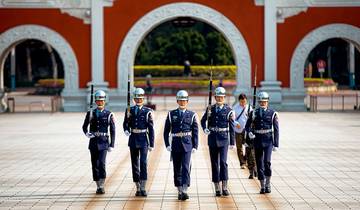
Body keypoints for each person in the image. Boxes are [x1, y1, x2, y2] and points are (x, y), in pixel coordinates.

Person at [163, 90, 198, 201]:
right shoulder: (171, 114)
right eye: (180, 100)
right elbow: (166, 131)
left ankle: (184, 190)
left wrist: (195, 146)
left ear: (187, 101)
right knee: (177, 167)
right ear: (177, 101)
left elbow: (195, 131)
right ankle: (179, 189)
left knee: (186, 167)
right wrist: (167, 144)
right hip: (176, 143)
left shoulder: (192, 115)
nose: (182, 102)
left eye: (184, 100)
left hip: (187, 144)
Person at [201, 87, 235, 196]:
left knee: (223, 163)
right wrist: (205, 128)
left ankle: (224, 186)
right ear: (215, 97)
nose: (219, 98)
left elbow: (232, 126)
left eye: (221, 97)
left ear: (224, 98)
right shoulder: (210, 108)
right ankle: (216, 187)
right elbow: (203, 120)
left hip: (224, 139)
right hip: (212, 139)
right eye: (218, 97)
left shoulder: (228, 110)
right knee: (214, 164)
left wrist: (232, 142)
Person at [245, 91, 279, 194]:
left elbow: (276, 129)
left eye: (264, 101)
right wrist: (250, 132)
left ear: (267, 102)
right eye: (261, 101)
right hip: (257, 140)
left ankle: (268, 183)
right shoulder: (253, 113)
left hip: (268, 141)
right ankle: (262, 185)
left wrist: (276, 144)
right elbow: (247, 126)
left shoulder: (272, 113)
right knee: (259, 163)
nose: (262, 103)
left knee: (267, 162)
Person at [82, 90, 115, 194]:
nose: (100, 102)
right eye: (98, 101)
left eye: (102, 101)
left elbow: (113, 130)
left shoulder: (109, 114)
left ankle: (102, 184)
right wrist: (87, 133)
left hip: (104, 142)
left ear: (105, 101)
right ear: (96, 102)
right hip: (93, 142)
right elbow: (84, 126)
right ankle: (98, 185)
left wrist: (112, 144)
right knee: (94, 164)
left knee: (102, 163)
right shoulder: (90, 113)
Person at [123, 87, 154, 197]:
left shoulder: (147, 111)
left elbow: (151, 128)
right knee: (134, 164)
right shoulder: (129, 110)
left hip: (143, 140)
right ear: (134, 99)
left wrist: (151, 143)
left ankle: (143, 186)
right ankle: (137, 186)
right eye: (137, 98)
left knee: (143, 163)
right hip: (133, 139)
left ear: (143, 99)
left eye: (140, 98)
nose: (139, 100)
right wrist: (126, 130)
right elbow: (125, 123)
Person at [233, 94, 256, 179]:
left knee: (248, 147)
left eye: (244, 101)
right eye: (241, 102)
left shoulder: (250, 108)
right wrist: (236, 123)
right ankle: (242, 163)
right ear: (239, 101)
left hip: (247, 131)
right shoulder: (235, 108)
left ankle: (248, 161)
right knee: (239, 147)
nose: (243, 103)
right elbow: (232, 119)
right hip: (238, 130)